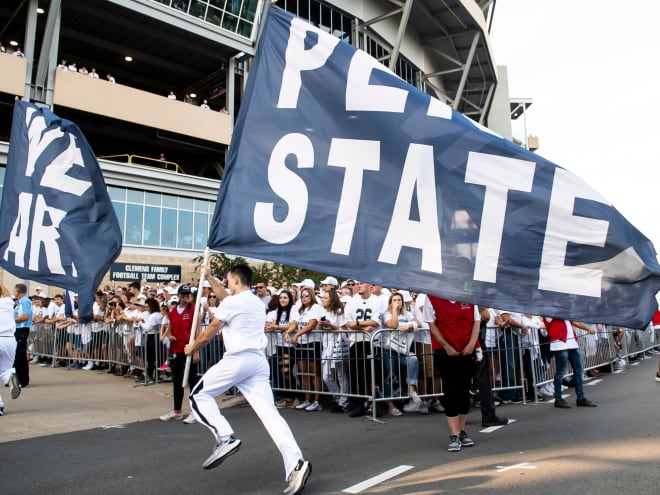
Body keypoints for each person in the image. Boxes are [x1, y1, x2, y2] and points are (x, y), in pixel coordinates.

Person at [185, 264, 311, 495]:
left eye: (227, 280)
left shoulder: (234, 302)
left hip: (238, 359)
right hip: (257, 362)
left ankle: (225, 437)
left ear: (233, 279)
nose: (225, 285)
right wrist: (211, 277)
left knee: (198, 395)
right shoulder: (254, 300)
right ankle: (296, 464)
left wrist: (193, 346)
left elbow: (212, 329)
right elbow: (225, 298)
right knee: (271, 415)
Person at [424, 296, 479, 452]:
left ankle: (461, 431)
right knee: (451, 390)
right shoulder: (432, 297)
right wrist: (446, 346)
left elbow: (476, 321)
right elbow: (431, 324)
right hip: (445, 351)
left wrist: (471, 345)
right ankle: (453, 433)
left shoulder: (467, 295)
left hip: (467, 350)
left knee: (464, 390)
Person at [160, 284, 199, 422]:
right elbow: (169, 327)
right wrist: (169, 335)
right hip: (176, 348)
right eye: (183, 294)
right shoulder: (173, 311)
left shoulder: (194, 310)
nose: (186, 296)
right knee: (177, 381)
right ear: (179, 295)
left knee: (192, 380)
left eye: (188, 294)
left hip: (188, 348)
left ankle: (195, 411)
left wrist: (196, 351)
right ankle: (177, 410)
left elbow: (197, 331)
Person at [542, 318, 597, 409]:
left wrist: (587, 329)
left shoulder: (564, 310)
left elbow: (574, 321)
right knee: (560, 372)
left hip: (572, 343)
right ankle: (558, 399)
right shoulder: (549, 310)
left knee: (579, 370)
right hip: (559, 343)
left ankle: (580, 397)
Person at [285, 286, 323, 411]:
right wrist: (288, 332)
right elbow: (294, 323)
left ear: (311, 296)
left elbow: (312, 324)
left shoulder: (315, 308)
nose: (304, 298)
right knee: (304, 373)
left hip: (313, 342)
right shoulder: (300, 309)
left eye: (306, 295)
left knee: (314, 373)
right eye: (302, 296)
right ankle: (308, 399)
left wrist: (297, 334)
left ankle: (317, 400)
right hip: (302, 344)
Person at [1, 283, 21, 415]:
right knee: (5, 369)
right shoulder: (7, 303)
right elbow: (5, 292)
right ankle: (9, 377)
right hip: (9, 339)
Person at [13, 284, 32, 387]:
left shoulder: (25, 301)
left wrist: (12, 320)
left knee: (20, 355)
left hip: (22, 330)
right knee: (15, 355)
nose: (13, 292)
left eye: (14, 290)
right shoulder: (19, 302)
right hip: (17, 329)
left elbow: (25, 316)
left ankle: (23, 380)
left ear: (18, 291)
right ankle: (15, 378)